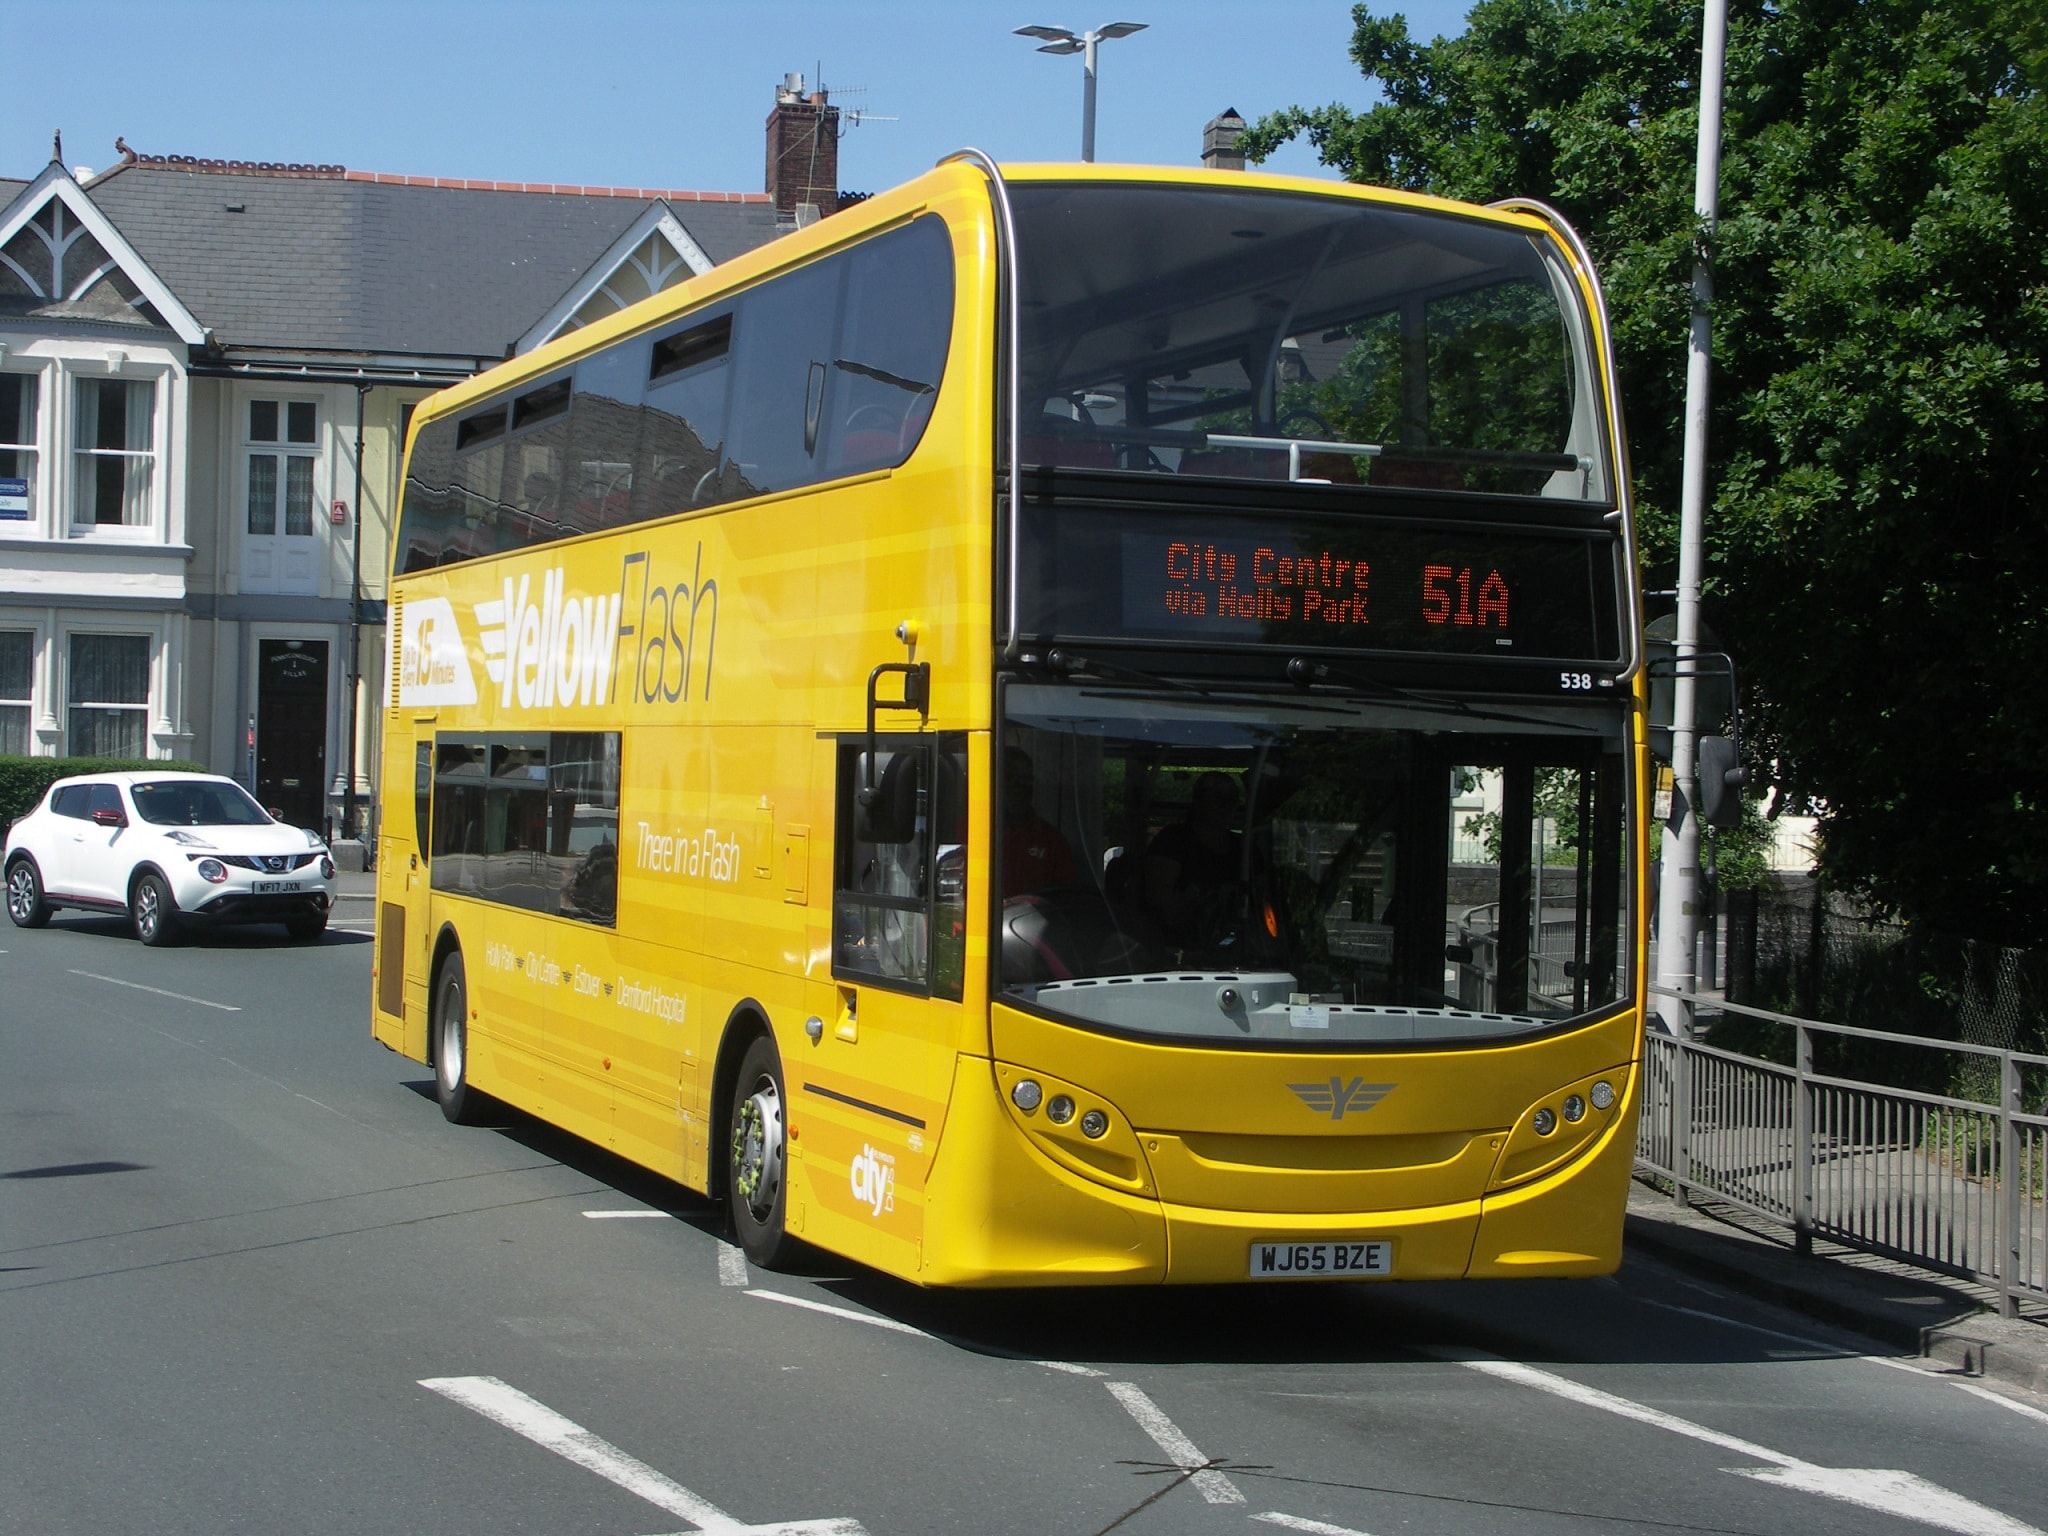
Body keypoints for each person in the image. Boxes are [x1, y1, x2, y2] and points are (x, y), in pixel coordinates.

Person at [1144, 771, 1243, 943]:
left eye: (1232, 798)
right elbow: (1156, 897)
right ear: (1198, 801)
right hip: (1175, 946)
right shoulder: (1173, 840)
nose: (1226, 805)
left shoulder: (1243, 848)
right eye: (1217, 797)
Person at [1001, 748, 1078, 897]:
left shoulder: (1053, 841)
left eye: (1024, 780)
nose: (1016, 788)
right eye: (1009, 778)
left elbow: (1068, 899)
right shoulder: (972, 832)